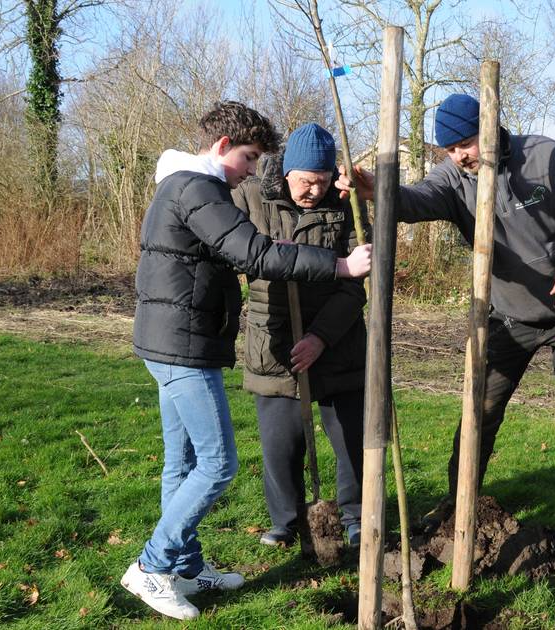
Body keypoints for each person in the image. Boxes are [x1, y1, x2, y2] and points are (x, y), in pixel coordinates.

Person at [339, 93, 555, 577]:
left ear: (489, 130)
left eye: (466, 144)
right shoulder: (454, 177)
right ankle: (456, 509)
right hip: (506, 318)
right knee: (477, 414)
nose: (460, 156)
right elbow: (415, 200)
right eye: (450, 149)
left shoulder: (545, 156)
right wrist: (378, 189)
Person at [122, 101, 372, 621]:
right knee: (217, 463)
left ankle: (185, 566)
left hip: (175, 340)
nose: (253, 169)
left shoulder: (186, 186)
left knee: (184, 463)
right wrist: (342, 265)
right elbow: (255, 253)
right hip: (182, 346)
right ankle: (152, 565)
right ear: (221, 148)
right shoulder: (197, 189)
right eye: (250, 156)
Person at [231, 123, 366, 550]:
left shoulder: (346, 206)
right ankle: (285, 522)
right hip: (273, 340)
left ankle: (356, 515)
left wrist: (320, 338)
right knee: (280, 443)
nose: (312, 190)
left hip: (337, 339)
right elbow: (230, 245)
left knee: (350, 440)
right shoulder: (250, 196)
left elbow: (354, 282)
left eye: (321, 182)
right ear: (287, 171)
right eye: (305, 181)